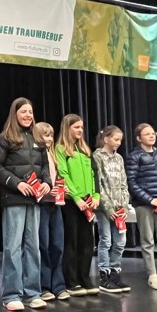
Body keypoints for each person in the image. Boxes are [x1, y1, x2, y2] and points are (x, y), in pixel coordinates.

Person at [0, 97, 50, 311]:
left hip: (34, 199)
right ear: (15, 114)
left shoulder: (37, 137)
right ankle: (11, 295)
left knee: (33, 246)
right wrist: (17, 183)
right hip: (14, 199)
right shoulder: (5, 138)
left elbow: (46, 166)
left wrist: (47, 183)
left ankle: (32, 293)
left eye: (30, 112)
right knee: (13, 247)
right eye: (23, 111)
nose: (28, 115)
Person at [126, 123, 157, 291]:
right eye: (147, 134)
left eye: (153, 133)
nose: (151, 136)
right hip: (144, 205)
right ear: (139, 138)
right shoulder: (134, 156)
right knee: (147, 241)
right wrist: (150, 200)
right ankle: (152, 275)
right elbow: (132, 183)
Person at [55, 114, 99, 296]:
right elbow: (63, 174)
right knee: (71, 241)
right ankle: (71, 281)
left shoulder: (85, 150)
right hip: (71, 202)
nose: (80, 130)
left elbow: (94, 175)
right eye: (76, 127)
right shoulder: (61, 149)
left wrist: (96, 195)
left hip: (88, 202)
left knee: (87, 242)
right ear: (67, 128)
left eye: (81, 127)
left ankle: (84, 278)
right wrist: (76, 197)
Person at [92, 125, 132, 294]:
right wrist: (107, 208)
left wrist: (124, 205)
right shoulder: (97, 156)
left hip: (119, 208)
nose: (118, 143)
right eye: (116, 139)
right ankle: (104, 274)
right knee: (106, 240)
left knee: (120, 241)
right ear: (106, 139)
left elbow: (124, 183)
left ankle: (115, 271)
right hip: (104, 208)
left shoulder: (119, 158)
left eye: (120, 140)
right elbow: (99, 184)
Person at [36, 122, 68, 301]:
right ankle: (44, 286)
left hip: (55, 204)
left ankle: (59, 285)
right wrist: (47, 189)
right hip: (41, 204)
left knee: (57, 245)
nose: (48, 139)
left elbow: (58, 176)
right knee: (43, 245)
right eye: (45, 135)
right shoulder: (36, 154)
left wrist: (63, 188)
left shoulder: (53, 154)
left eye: (50, 136)